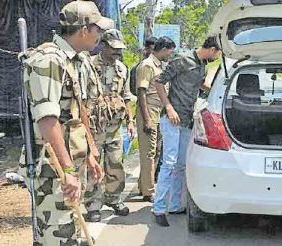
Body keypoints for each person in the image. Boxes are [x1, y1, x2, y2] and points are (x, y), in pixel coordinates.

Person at [19, 1, 112, 244]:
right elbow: (47, 119)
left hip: (72, 162)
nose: (100, 36)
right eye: (98, 29)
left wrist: (91, 153)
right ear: (83, 29)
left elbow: (79, 112)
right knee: (57, 235)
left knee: (71, 231)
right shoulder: (49, 60)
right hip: (53, 169)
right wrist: (68, 170)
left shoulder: (77, 60)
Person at [152, 36, 221, 227]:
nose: (218, 56)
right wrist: (169, 107)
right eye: (219, 52)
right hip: (172, 118)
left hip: (186, 119)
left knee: (181, 164)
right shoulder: (182, 59)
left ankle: (174, 205)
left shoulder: (202, 64)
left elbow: (199, 84)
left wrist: (217, 91)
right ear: (213, 49)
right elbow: (159, 82)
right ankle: (158, 208)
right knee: (169, 163)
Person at [84, 29, 134, 222]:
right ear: (103, 46)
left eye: (119, 50)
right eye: (114, 49)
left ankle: (113, 198)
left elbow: (126, 96)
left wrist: (130, 121)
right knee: (94, 167)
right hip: (95, 126)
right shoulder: (89, 65)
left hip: (114, 126)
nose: (117, 53)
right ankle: (93, 205)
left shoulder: (122, 68)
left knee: (115, 164)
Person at [135, 36, 176, 202]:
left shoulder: (160, 65)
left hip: (158, 112)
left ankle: (144, 185)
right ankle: (148, 191)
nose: (170, 54)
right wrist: (147, 119)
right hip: (149, 111)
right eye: (169, 51)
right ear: (164, 49)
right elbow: (141, 92)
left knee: (156, 151)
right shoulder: (147, 65)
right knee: (148, 153)